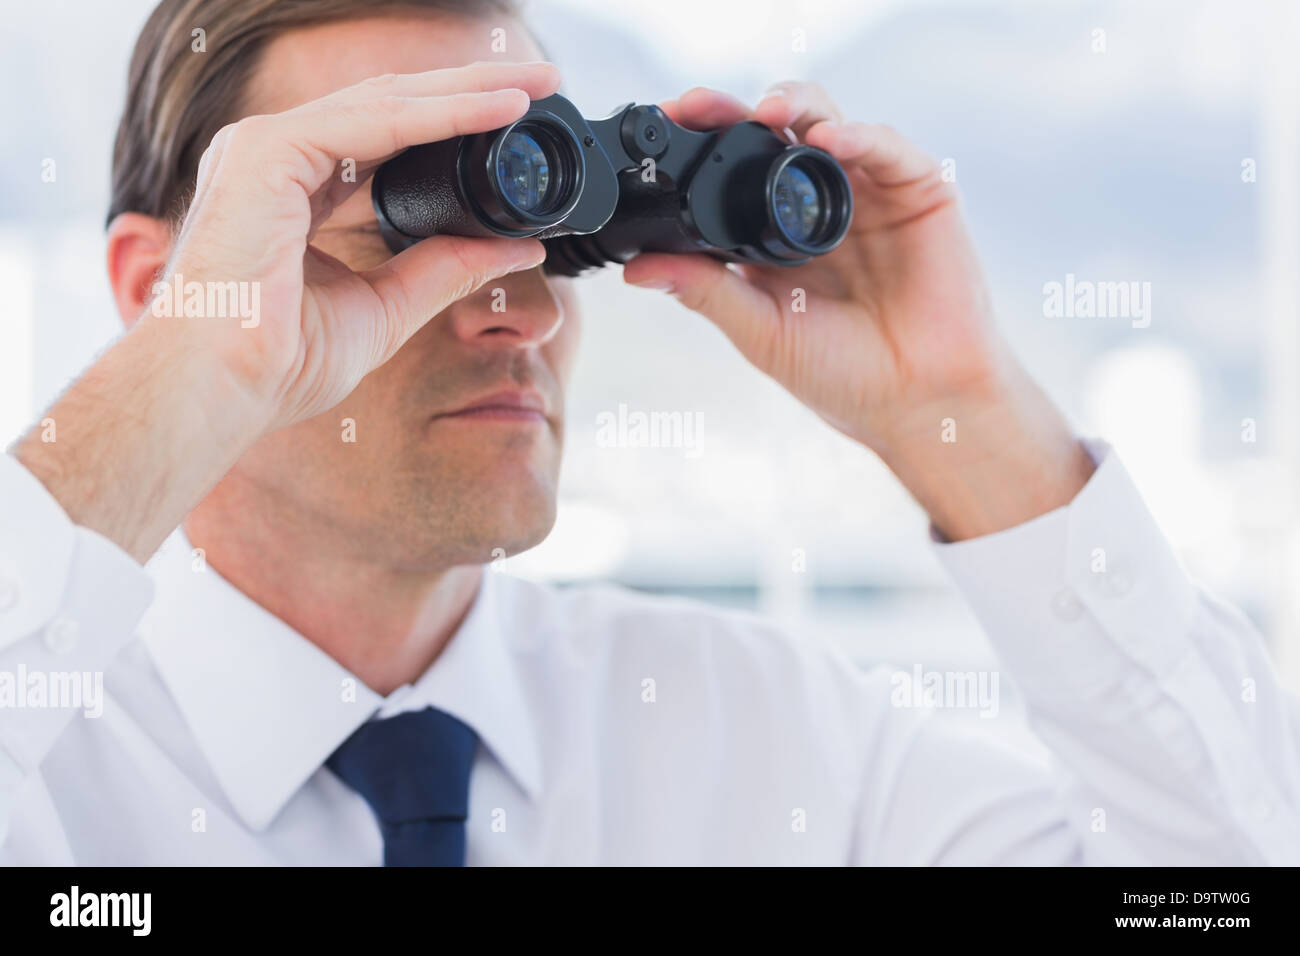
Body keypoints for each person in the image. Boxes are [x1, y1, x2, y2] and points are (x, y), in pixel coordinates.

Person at [1, 0, 1296, 866]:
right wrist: (200, 353)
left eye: (549, 245)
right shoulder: (57, 763)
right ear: (148, 288)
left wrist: (963, 412)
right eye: (406, 240)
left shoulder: (774, 740)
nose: (513, 318)